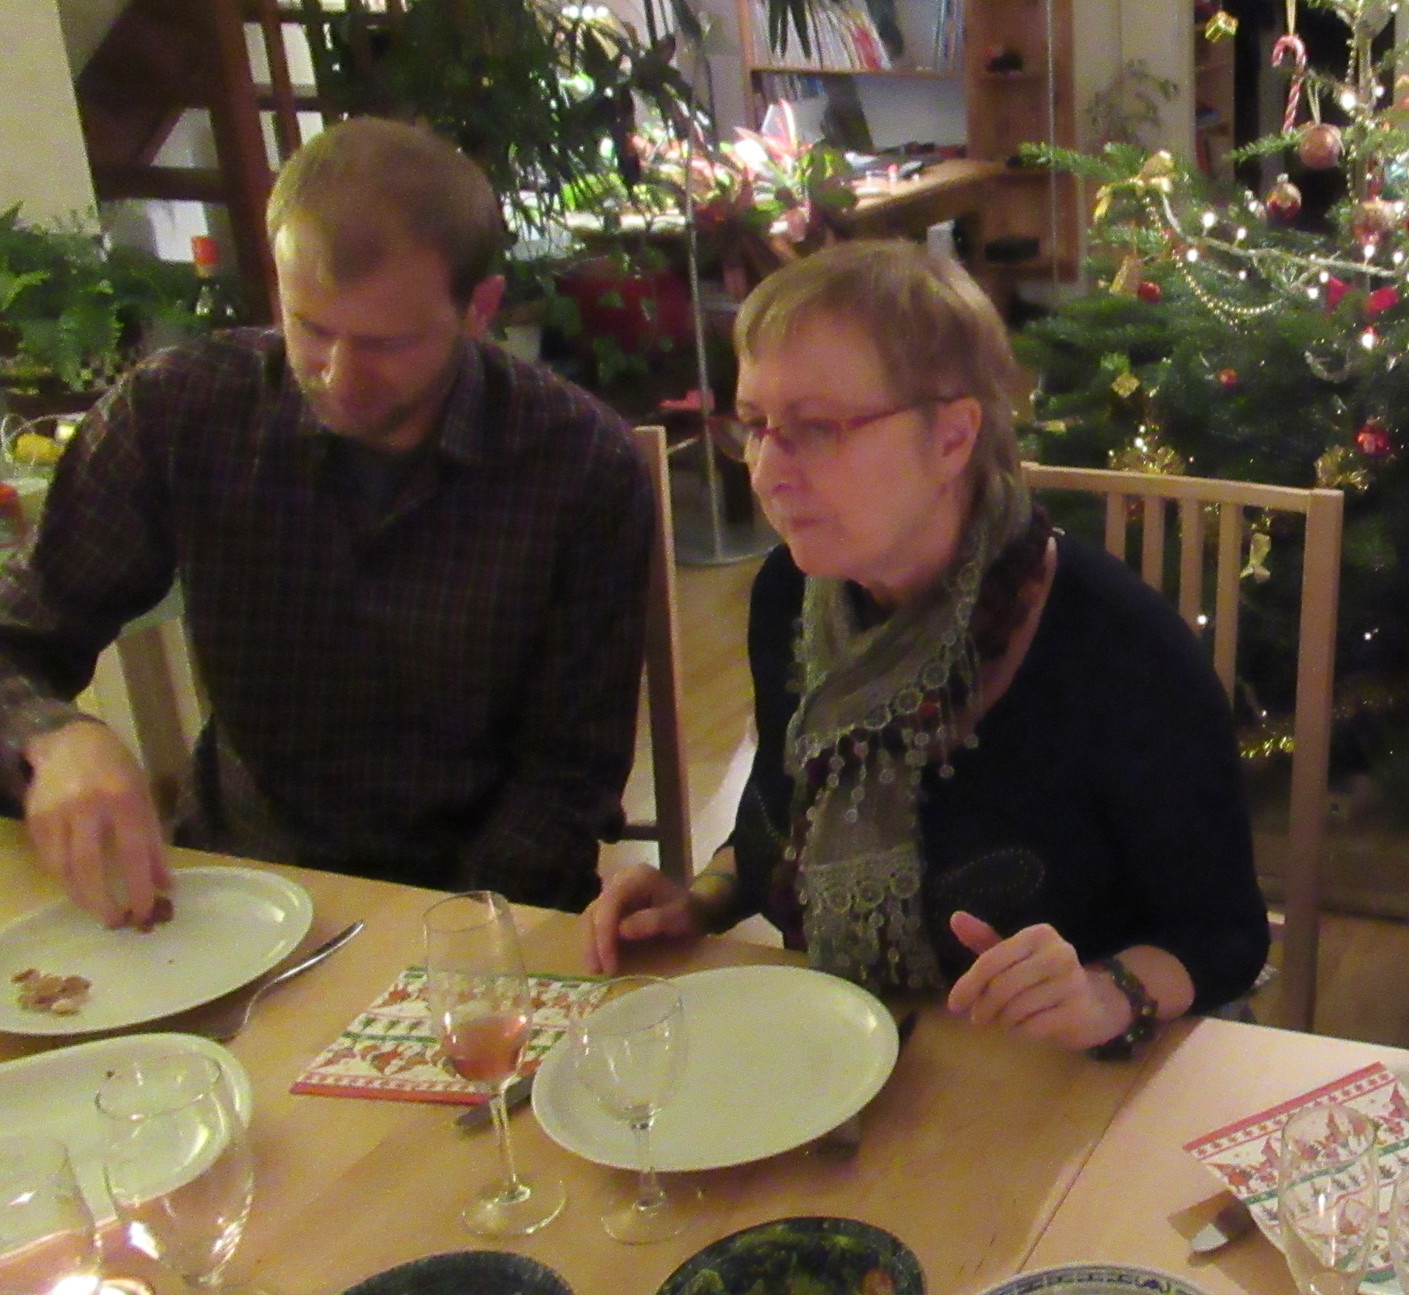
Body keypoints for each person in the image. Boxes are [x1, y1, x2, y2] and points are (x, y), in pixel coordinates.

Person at [583, 240, 1270, 1056]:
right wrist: (697, 901)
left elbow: (1223, 935)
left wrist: (1104, 992)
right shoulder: (794, 598)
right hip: (849, 1054)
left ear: (951, 437)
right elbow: (781, 814)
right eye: (756, 425)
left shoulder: (1119, 650)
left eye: (815, 428)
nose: (766, 471)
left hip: (1061, 1081)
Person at [0, 118, 656, 918]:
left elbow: (567, 775)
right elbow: (19, 634)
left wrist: (452, 937)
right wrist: (51, 735)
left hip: (480, 897)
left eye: (386, 344)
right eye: (309, 328)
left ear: (479, 308)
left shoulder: (580, 464)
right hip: (243, 882)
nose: (340, 377)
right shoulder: (181, 412)